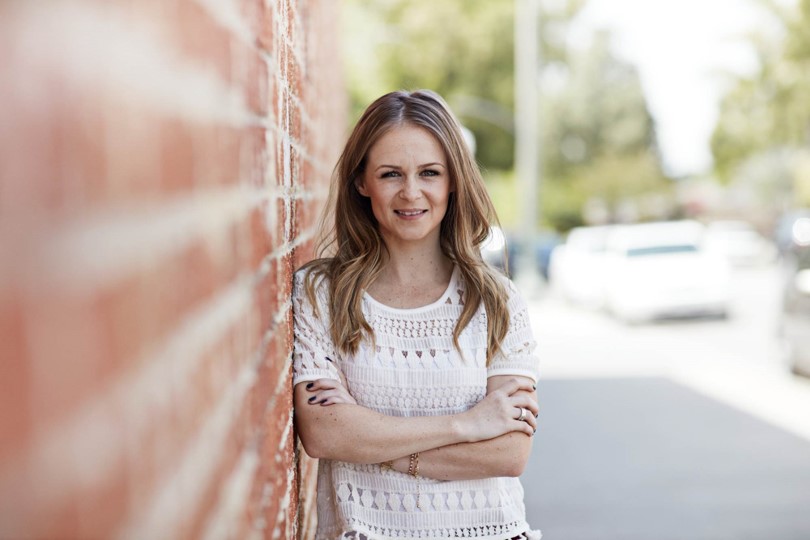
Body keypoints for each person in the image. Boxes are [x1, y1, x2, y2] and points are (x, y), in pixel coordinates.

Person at [292, 90, 542, 539]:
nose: (411, 192)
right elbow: (325, 433)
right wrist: (466, 425)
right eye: (390, 174)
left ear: (453, 182)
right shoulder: (321, 293)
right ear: (361, 182)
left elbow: (507, 453)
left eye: (430, 172)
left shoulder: (497, 302)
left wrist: (371, 443)